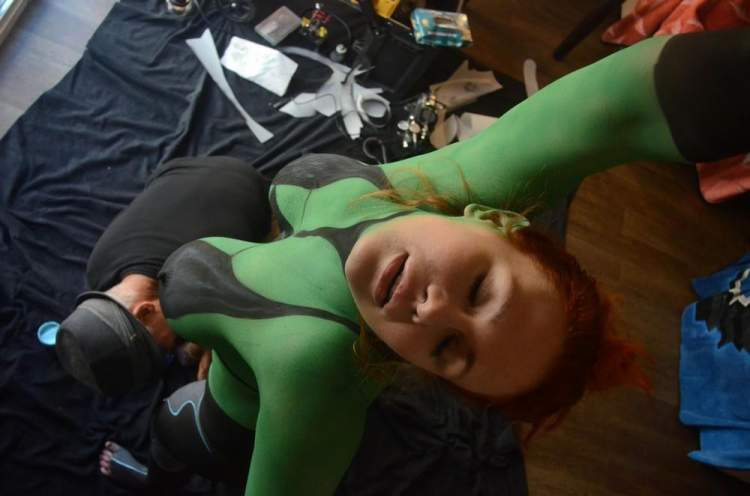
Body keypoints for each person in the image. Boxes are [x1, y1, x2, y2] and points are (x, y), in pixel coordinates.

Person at [57, 28, 749, 495]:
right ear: (498, 222)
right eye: (478, 290)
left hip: (220, 421)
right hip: (236, 314)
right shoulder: (467, 182)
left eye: (447, 348)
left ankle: (150, 420)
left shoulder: (311, 373)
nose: (430, 309)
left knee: (153, 411)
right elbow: (636, 99)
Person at [64, 156, 272, 391]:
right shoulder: (97, 267)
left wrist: (214, 344)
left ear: (145, 310)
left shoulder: (207, 273)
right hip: (178, 171)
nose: (171, 348)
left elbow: (240, 311)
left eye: (165, 347)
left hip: (245, 186)